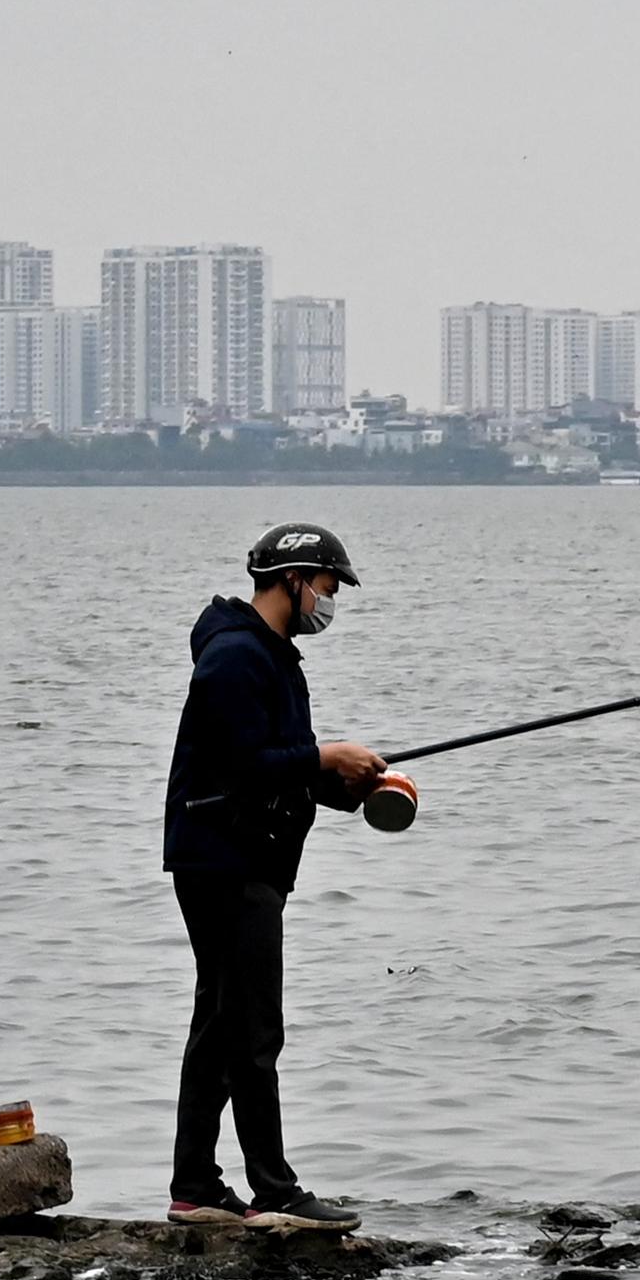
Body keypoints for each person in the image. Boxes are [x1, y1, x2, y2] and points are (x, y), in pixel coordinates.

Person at [160, 521, 393, 1230]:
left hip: (241, 857)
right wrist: (325, 758)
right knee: (253, 1029)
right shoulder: (233, 657)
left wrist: (350, 784)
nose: (330, 601)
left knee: (221, 1024)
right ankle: (274, 1190)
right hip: (227, 862)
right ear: (292, 580)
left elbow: (277, 762)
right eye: (326, 587)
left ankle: (195, 1187)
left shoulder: (272, 655)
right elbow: (240, 766)